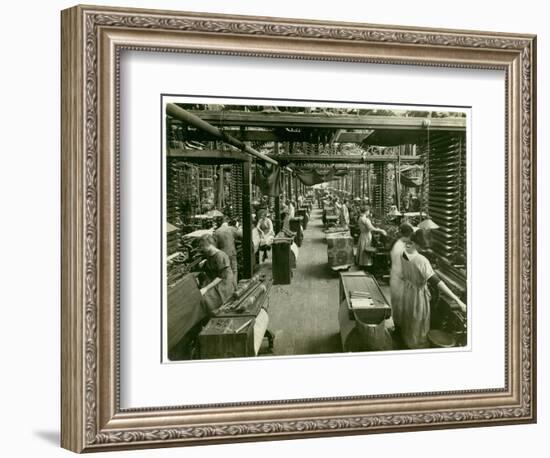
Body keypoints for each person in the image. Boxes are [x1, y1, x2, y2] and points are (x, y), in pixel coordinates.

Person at [399, 229, 467, 349]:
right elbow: (437, 282)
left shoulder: (404, 253)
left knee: (410, 318)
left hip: (408, 291)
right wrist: (458, 300)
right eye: (423, 247)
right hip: (417, 295)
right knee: (418, 321)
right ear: (417, 243)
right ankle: (417, 346)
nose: (424, 250)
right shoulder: (422, 260)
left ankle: (407, 341)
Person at [198, 234, 236, 313]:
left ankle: (212, 314)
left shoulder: (220, 256)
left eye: (202, 246)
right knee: (200, 293)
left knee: (207, 298)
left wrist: (206, 288)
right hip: (216, 278)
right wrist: (205, 262)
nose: (201, 249)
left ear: (209, 245)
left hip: (225, 283)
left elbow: (221, 277)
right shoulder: (209, 254)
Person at [389, 222, 415, 329]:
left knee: (397, 305)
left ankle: (398, 327)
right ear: (409, 235)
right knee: (399, 306)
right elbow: (406, 265)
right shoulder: (401, 248)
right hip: (399, 279)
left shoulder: (398, 243)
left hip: (395, 277)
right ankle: (399, 330)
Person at [214, 215, 242, 286]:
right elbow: (242, 235)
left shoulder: (216, 232)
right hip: (232, 253)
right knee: (234, 271)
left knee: (225, 272)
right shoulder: (232, 229)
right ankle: (235, 287)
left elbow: (215, 246)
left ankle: (228, 288)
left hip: (222, 255)